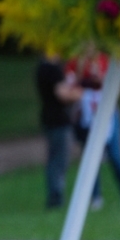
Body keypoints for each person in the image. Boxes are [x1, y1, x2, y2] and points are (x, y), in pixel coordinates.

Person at [68, 48, 120, 210]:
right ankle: (95, 196)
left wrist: (100, 80)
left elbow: (117, 85)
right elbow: (71, 86)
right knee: (91, 156)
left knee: (114, 155)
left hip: (108, 111)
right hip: (87, 113)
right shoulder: (76, 61)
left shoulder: (105, 60)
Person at [37, 52, 81, 209]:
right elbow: (62, 94)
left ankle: (55, 195)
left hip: (50, 118)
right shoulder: (52, 69)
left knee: (54, 158)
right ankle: (56, 196)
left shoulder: (41, 67)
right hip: (59, 120)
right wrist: (80, 93)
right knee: (59, 159)